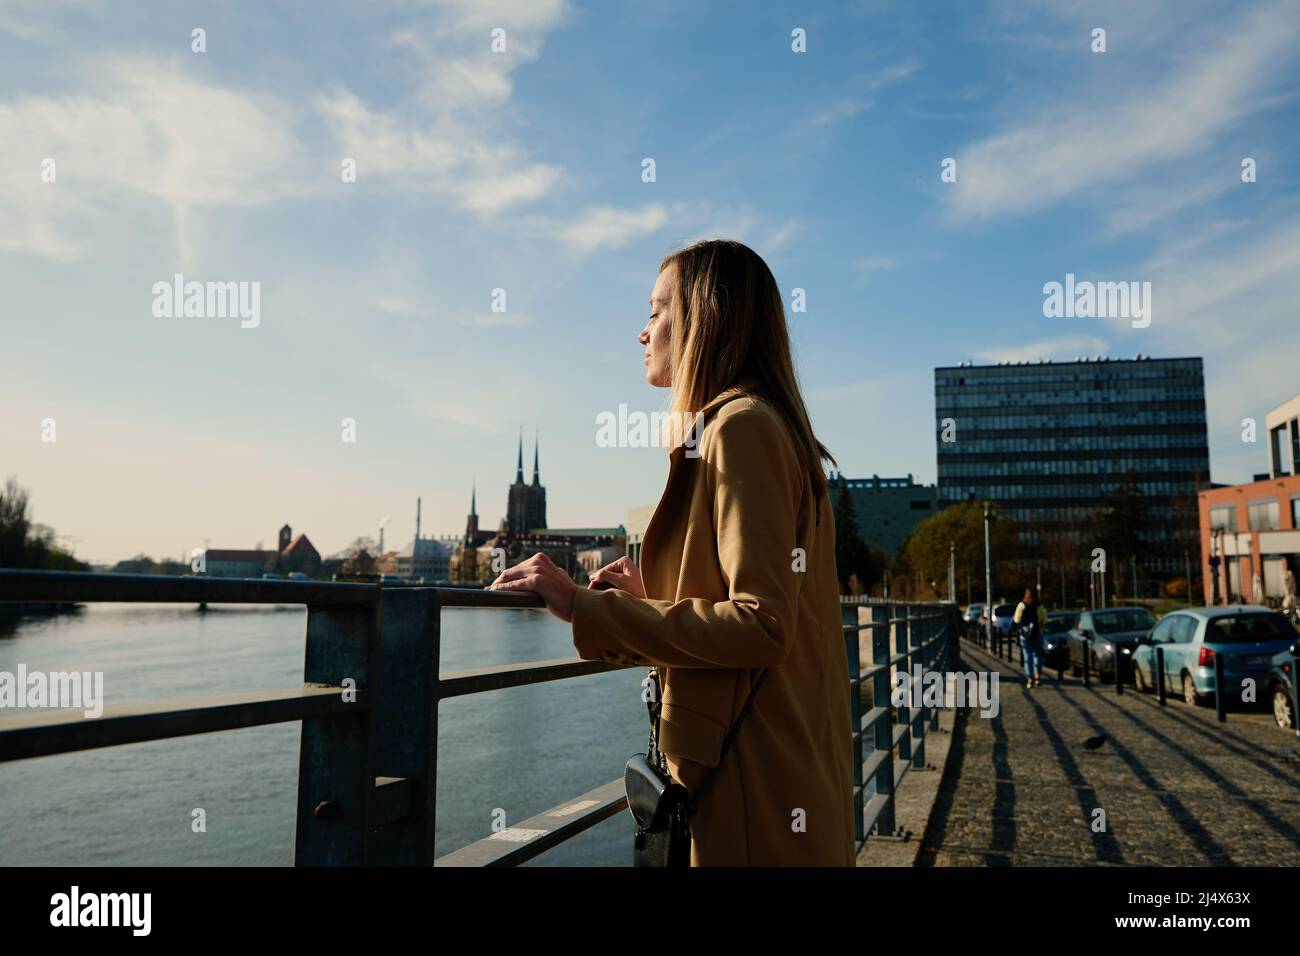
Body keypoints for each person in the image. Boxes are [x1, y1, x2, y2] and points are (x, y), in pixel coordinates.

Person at [486, 239, 856, 866]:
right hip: (776, 773)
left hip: (752, 792)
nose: (642, 331)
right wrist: (647, 606)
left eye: (657, 310)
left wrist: (581, 605)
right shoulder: (754, 425)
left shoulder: (740, 429)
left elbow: (762, 625)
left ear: (703, 318)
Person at [1014, 586, 1048, 688]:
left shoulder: (1021, 605)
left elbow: (1016, 620)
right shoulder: (1039, 606)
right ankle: (1037, 676)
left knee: (1027, 657)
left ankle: (1030, 678)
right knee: (1038, 655)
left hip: (1025, 635)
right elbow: (1044, 620)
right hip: (1037, 633)